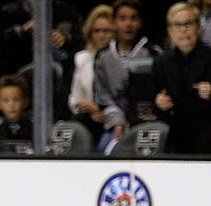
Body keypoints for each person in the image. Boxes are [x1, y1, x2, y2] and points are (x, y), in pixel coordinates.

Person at [151, 2, 211, 154]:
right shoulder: (161, 62)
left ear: (198, 27)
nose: (183, 30)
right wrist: (160, 103)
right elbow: (153, 101)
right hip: (175, 137)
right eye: (177, 25)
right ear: (170, 31)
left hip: (209, 137)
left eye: (188, 24)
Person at [93, 0, 162, 151]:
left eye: (133, 18)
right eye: (122, 18)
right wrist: (118, 122)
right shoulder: (103, 57)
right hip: (115, 123)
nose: (128, 24)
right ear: (113, 22)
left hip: (147, 122)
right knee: (104, 147)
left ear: (141, 23)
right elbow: (102, 97)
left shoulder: (153, 54)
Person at [67, 4, 114, 146]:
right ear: (90, 33)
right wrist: (85, 107)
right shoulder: (82, 58)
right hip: (88, 119)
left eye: (107, 31)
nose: (101, 36)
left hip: (114, 121)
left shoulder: (121, 60)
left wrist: (101, 111)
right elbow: (74, 98)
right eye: (97, 31)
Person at [0, 74, 33, 154]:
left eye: (16, 99)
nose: (11, 105)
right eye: (6, 100)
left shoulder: (33, 130)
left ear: (26, 101)